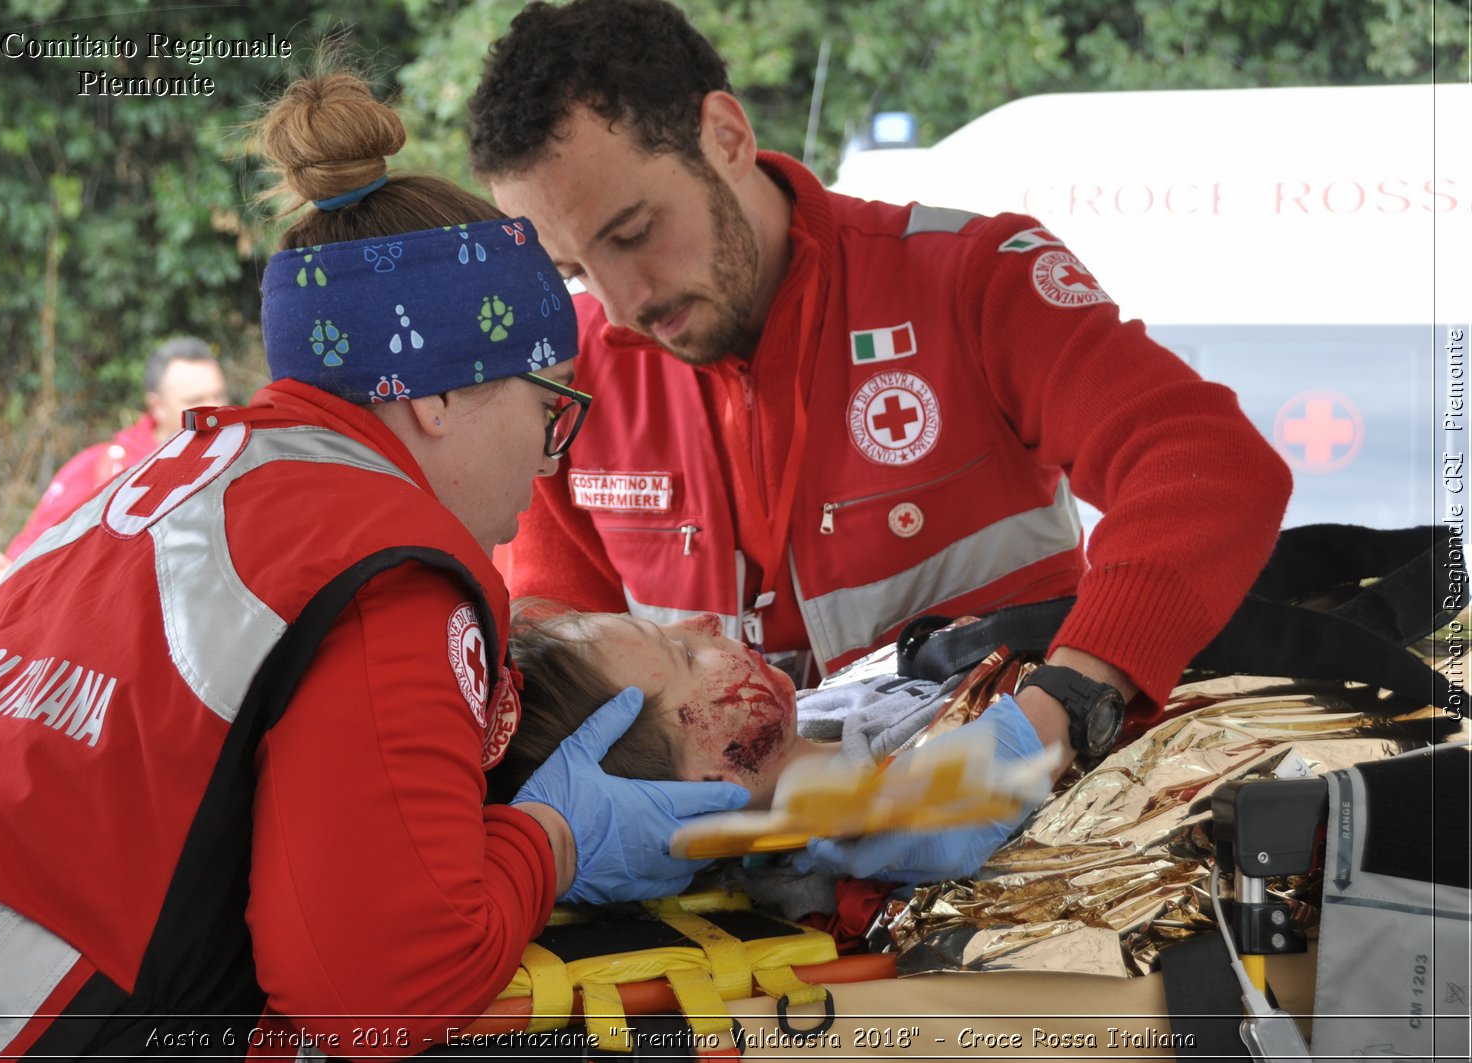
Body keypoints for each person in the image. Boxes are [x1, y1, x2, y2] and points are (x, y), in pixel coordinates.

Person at [0, 71, 747, 1060]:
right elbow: (383, 989)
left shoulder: (167, 490)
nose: (552, 455)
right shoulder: (384, 567)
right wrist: (553, 837)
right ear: (436, 395)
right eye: (545, 407)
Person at [466, 0, 1292, 880]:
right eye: (577, 270)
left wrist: (1058, 714)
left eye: (634, 233)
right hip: (759, 933)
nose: (623, 302)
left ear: (726, 136)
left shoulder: (969, 280)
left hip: (1042, 869)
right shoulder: (580, 382)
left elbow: (1213, 465)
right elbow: (551, 658)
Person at [0, 337, 230, 592]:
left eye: (220, 395)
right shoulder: (104, 467)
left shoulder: (252, 461)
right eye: (196, 400)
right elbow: (33, 553)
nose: (217, 410)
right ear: (157, 406)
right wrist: (10, 575)